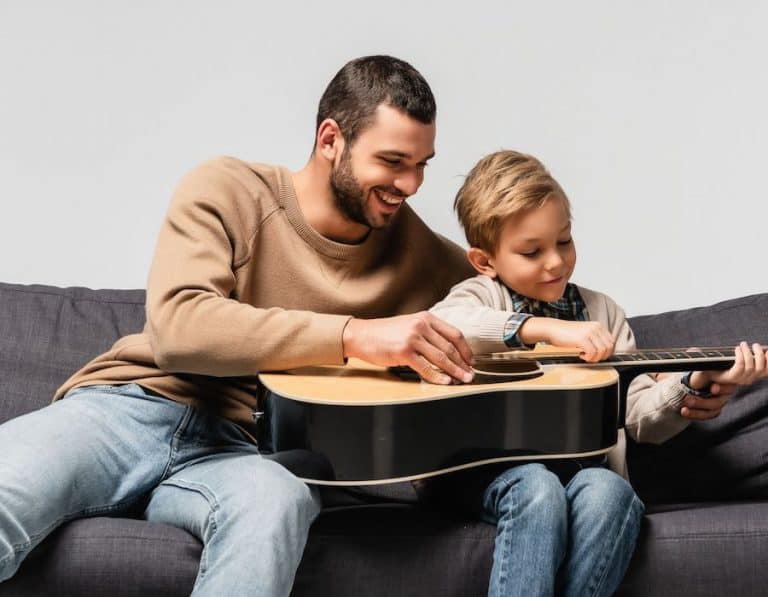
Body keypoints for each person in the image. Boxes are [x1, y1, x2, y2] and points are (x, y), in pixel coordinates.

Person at [0, 55, 478, 596]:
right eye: (393, 161)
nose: (410, 184)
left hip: (244, 454)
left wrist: (576, 327)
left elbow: (514, 293)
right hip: (131, 410)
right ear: (330, 140)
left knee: (278, 500)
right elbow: (182, 327)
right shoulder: (229, 188)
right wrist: (353, 335)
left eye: (422, 165)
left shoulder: (420, 252)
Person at [425, 150, 768, 597]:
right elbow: (451, 326)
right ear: (485, 261)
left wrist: (694, 382)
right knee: (538, 487)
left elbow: (639, 418)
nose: (555, 262)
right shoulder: (479, 295)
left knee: (609, 489)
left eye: (564, 242)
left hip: (582, 473)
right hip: (485, 475)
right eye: (532, 252)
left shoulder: (602, 313)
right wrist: (546, 329)